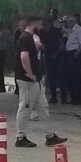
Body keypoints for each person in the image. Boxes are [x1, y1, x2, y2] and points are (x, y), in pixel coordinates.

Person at [14, 16, 67, 148]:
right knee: (25, 107)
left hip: (36, 80)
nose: (41, 26)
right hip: (28, 80)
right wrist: (30, 73)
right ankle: (20, 136)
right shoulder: (25, 38)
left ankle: (50, 135)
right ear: (33, 23)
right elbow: (24, 57)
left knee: (42, 107)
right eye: (39, 24)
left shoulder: (32, 38)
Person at [62, 15, 81, 105]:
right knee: (71, 78)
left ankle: (79, 99)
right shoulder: (70, 31)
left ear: (72, 22)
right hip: (69, 54)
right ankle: (74, 98)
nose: (66, 24)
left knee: (77, 78)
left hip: (75, 54)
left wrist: (75, 55)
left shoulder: (79, 30)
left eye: (67, 22)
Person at [42, 14, 63, 104]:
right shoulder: (42, 32)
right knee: (50, 77)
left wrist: (56, 53)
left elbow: (61, 43)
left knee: (60, 75)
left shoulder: (56, 31)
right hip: (47, 56)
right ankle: (53, 97)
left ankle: (63, 97)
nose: (45, 25)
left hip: (57, 55)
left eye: (47, 23)